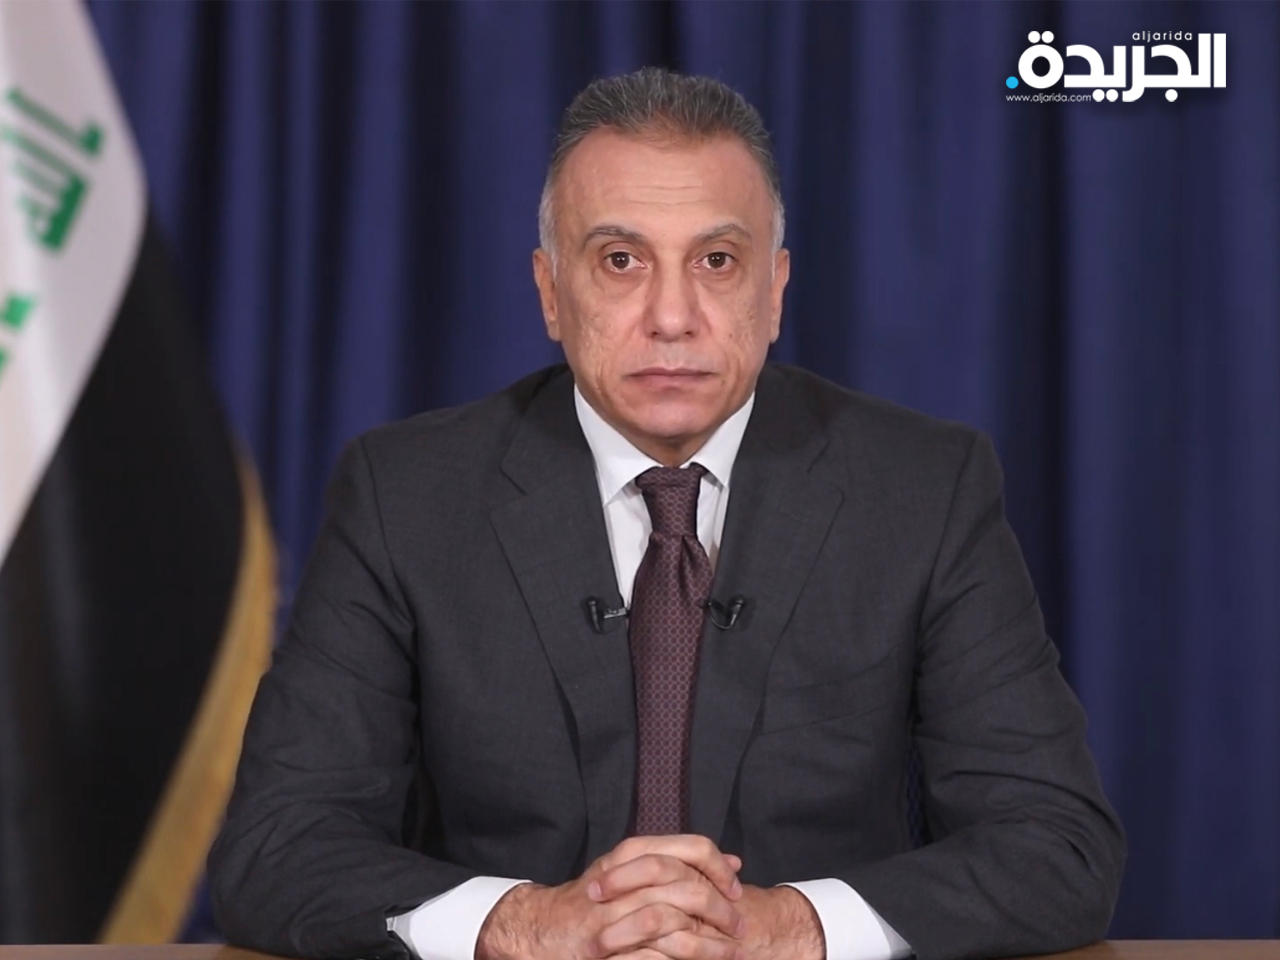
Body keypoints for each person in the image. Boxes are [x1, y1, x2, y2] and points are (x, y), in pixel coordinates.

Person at [209, 68, 1125, 960]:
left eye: (717, 262)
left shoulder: (921, 489)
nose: (672, 316)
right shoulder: (407, 495)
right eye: (621, 261)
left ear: (775, 291)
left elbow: (1058, 845)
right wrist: (527, 926)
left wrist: (791, 929)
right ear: (550, 292)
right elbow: (275, 850)